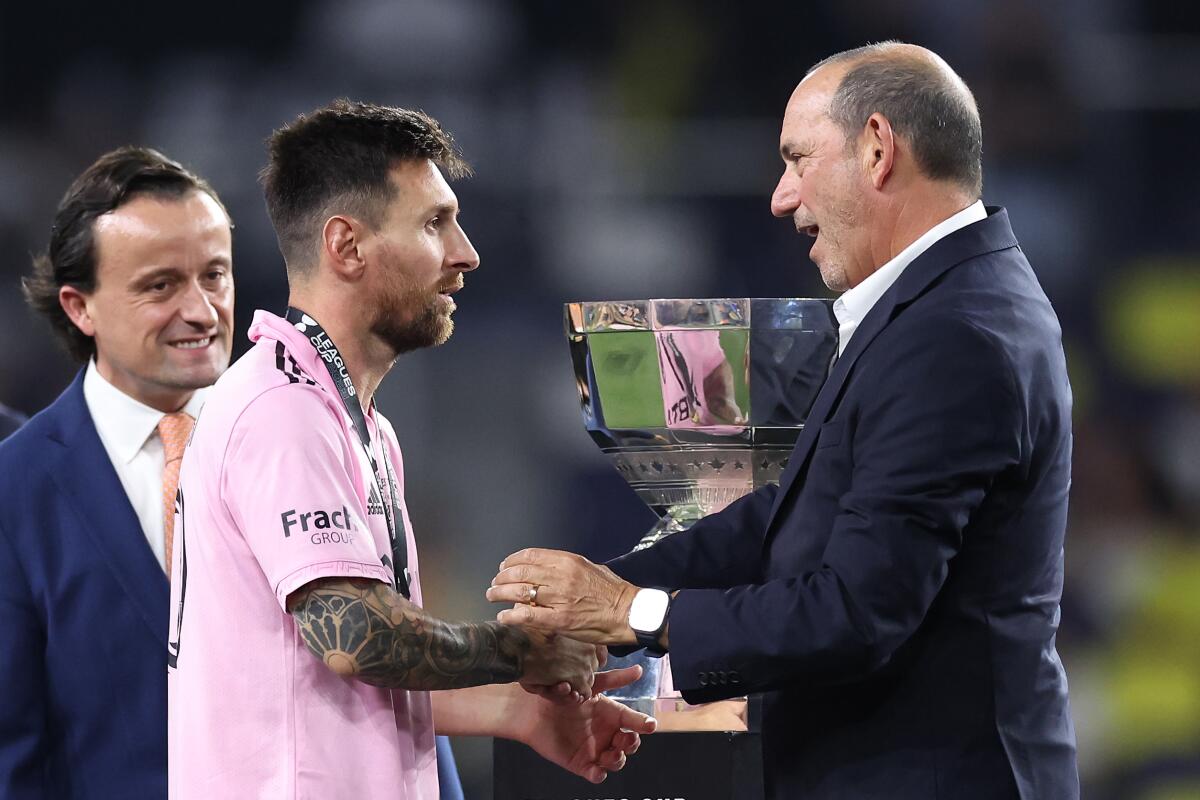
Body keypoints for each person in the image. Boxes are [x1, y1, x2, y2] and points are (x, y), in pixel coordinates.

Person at [488, 42, 1079, 799]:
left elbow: (858, 609)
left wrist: (628, 612)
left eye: (798, 160)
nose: (780, 197)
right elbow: (790, 517)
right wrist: (601, 599)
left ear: (876, 148)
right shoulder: (936, 305)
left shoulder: (954, 333)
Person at [166, 100, 654, 798]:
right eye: (434, 223)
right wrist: (525, 649)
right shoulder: (282, 410)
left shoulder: (353, 421)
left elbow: (330, 674)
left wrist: (518, 711)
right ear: (346, 246)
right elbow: (352, 636)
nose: (466, 254)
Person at [0, 147, 233, 798]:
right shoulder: (15, 492)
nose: (201, 311)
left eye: (214, 276)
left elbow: (388, 684)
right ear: (80, 307)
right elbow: (13, 749)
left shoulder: (305, 444)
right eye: (161, 286)